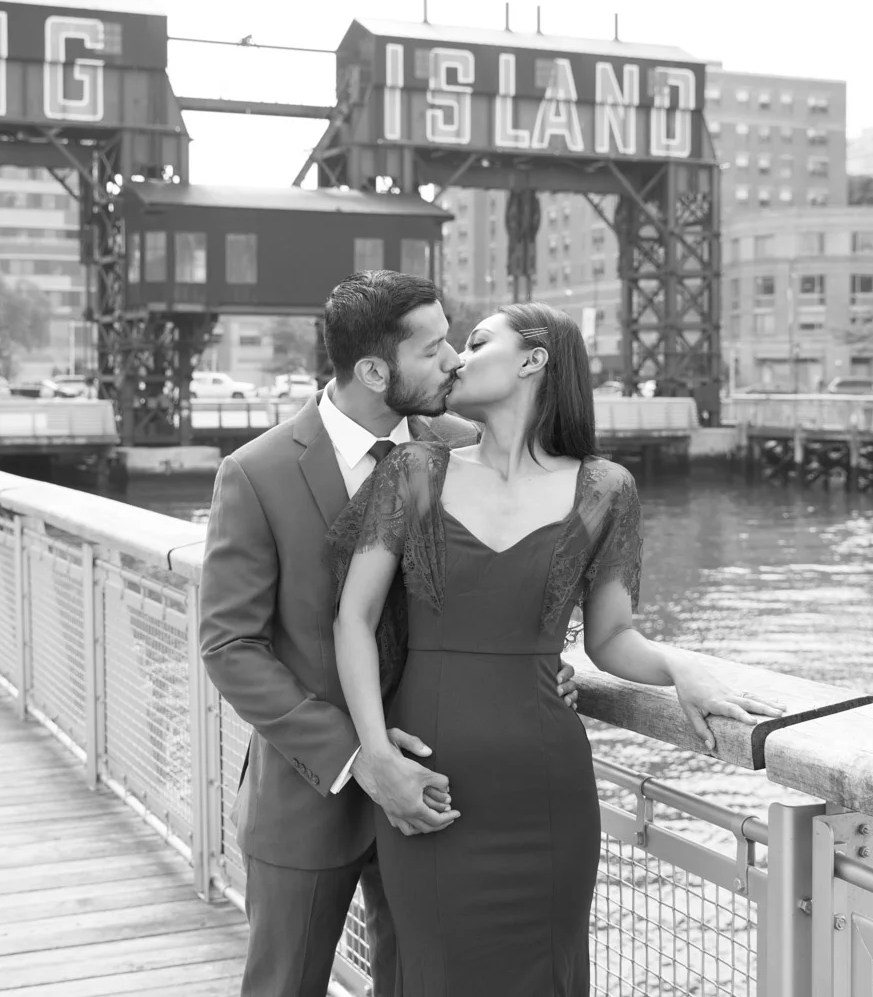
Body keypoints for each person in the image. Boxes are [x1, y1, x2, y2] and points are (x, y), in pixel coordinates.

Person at [330, 302, 784, 997]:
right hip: (428, 781)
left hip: (544, 793)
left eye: (476, 342)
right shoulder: (414, 470)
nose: (455, 358)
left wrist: (678, 666)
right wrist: (378, 757)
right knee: (434, 973)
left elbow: (612, 639)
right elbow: (353, 621)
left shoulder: (605, 489)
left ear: (534, 359)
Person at [198, 272, 580, 997]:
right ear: (375, 372)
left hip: (443, 793)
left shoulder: (464, 449)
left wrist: (544, 664)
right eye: (433, 350)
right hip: (309, 798)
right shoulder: (255, 473)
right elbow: (230, 647)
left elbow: (505, 583)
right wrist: (359, 758)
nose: (455, 362)